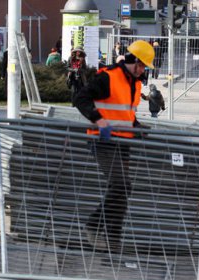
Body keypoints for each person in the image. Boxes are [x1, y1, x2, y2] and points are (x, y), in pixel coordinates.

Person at [74, 39, 155, 251]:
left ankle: (113, 238)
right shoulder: (108, 76)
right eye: (143, 65)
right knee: (121, 185)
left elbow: (125, 113)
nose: (143, 70)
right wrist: (98, 120)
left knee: (121, 188)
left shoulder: (135, 83)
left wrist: (137, 126)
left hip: (123, 141)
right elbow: (80, 98)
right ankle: (93, 225)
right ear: (135, 62)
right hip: (103, 140)